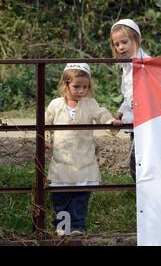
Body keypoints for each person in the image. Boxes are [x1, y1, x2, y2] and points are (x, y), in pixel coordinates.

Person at [45, 63, 122, 236]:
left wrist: (111, 122)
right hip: (61, 161)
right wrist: (46, 140)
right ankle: (62, 227)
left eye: (85, 87)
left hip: (84, 160)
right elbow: (45, 125)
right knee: (61, 197)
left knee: (80, 197)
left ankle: (78, 227)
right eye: (76, 86)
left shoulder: (90, 104)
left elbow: (102, 115)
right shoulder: (55, 105)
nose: (81, 90)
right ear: (65, 85)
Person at [110, 19, 150, 182]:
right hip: (135, 117)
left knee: (138, 160)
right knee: (136, 159)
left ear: (136, 40)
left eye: (124, 42)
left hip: (146, 118)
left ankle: (144, 193)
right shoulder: (127, 66)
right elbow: (129, 94)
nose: (121, 47)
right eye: (116, 44)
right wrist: (121, 111)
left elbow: (143, 91)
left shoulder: (144, 64)